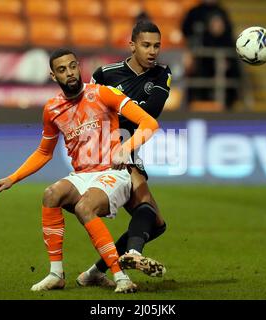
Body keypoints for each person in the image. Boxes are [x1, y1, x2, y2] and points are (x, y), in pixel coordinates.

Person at [0, 48, 159, 293]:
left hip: (112, 172)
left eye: (72, 66)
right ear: (53, 76)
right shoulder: (52, 109)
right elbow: (44, 152)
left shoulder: (103, 93)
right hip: (82, 175)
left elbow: (149, 123)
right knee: (50, 194)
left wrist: (126, 147)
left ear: (79, 66)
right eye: (61, 70)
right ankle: (56, 274)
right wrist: (13, 178)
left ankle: (121, 277)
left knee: (84, 207)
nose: (69, 73)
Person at [75, 20, 171, 287]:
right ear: (132, 45)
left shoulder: (162, 74)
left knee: (157, 223)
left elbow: (150, 114)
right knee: (146, 211)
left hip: (128, 146)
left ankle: (94, 272)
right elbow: (86, 111)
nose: (153, 51)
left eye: (157, 46)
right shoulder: (106, 74)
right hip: (106, 148)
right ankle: (133, 253)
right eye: (146, 45)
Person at [181, 0, 240, 110]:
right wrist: (189, 52)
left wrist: (227, 59)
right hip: (200, 60)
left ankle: (228, 106)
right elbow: (186, 33)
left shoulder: (222, 12)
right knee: (195, 74)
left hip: (219, 60)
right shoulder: (194, 12)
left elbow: (229, 37)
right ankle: (193, 104)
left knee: (231, 71)